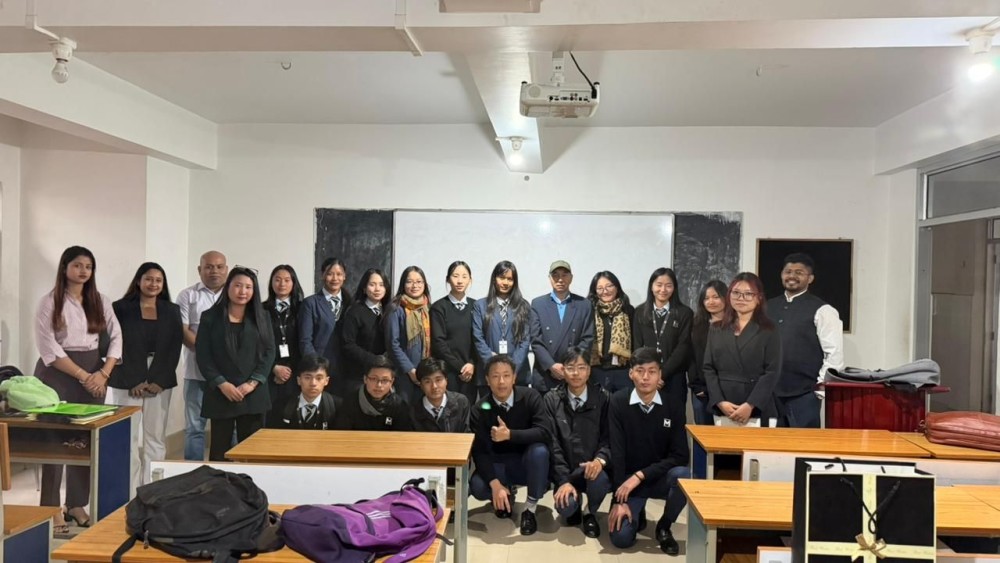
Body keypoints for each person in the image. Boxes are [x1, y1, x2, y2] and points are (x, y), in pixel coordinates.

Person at [34, 246, 122, 531]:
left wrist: (103, 374)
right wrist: (85, 376)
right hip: (57, 373)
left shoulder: (100, 300)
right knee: (54, 442)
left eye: (88, 266)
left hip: (95, 372)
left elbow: (117, 337)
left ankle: (76, 504)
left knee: (83, 442)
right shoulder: (49, 302)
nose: (83, 271)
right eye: (77, 265)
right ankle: (50, 509)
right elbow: (48, 347)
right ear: (65, 267)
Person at [607, 347, 690, 555]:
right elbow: (617, 453)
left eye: (652, 371)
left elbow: (681, 456)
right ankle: (638, 511)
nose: (645, 377)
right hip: (628, 483)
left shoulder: (673, 405)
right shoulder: (618, 401)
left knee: (684, 475)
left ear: (660, 375)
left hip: (657, 478)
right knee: (621, 539)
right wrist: (618, 501)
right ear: (630, 373)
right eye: (640, 371)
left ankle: (664, 526)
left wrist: (641, 475)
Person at [109, 262, 183, 488]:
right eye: (149, 279)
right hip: (127, 378)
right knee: (127, 436)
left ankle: (152, 488)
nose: (153, 284)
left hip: (159, 378)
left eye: (158, 280)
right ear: (138, 281)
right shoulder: (120, 308)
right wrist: (134, 379)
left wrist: (159, 380)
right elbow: (115, 345)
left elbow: (174, 347)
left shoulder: (171, 310)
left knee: (155, 437)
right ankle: (128, 490)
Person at [196, 266, 275, 461]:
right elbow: (203, 355)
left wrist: (252, 383)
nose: (243, 291)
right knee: (219, 451)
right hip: (221, 393)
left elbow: (269, 352)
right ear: (228, 287)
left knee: (252, 452)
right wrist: (222, 383)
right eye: (238, 285)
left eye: (248, 287)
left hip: (253, 394)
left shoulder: (262, 316)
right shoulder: (210, 317)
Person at [469, 355, 551, 536]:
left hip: (524, 463)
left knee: (540, 451)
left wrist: (510, 435)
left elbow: (545, 432)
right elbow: (480, 452)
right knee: (478, 486)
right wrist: (495, 485)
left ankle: (530, 509)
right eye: (495, 376)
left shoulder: (530, 397)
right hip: (498, 465)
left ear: (514, 377)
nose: (501, 381)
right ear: (487, 380)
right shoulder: (480, 409)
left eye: (506, 375)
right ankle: (505, 493)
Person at [767, 253, 845, 428]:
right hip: (770, 393)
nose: (792, 276)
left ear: (810, 278)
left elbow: (834, 353)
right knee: (770, 443)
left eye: (799, 272)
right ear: (781, 275)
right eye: (788, 271)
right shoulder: (767, 306)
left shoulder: (824, 310)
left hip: (805, 394)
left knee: (803, 442)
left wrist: (820, 388)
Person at [544, 347, 611, 538]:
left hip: (593, 468)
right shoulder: (551, 399)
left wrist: (599, 460)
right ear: (562, 370)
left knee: (599, 480)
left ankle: (590, 511)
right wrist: (564, 481)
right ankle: (574, 500)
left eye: (581, 367)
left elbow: (609, 437)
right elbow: (552, 443)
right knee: (566, 508)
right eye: (570, 367)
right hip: (566, 469)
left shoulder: (603, 397)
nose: (576, 373)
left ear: (589, 370)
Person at [703, 272, 782, 427]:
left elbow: (772, 371)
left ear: (759, 298)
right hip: (724, 405)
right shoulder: (716, 328)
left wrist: (751, 404)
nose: (741, 298)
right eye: (736, 293)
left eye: (748, 294)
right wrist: (719, 401)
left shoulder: (769, 330)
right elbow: (708, 368)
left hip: (757, 405)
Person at [176, 250, 228, 461]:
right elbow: (183, 331)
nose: (214, 271)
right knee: (195, 427)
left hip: (228, 376)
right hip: (195, 372)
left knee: (228, 427)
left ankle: (229, 471)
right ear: (200, 270)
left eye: (219, 267)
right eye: (208, 267)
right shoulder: (187, 295)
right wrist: (209, 354)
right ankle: (193, 472)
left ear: (226, 269)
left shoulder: (234, 294)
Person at [632, 267, 693, 415]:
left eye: (668, 285)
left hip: (674, 377)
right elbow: (637, 345)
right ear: (651, 287)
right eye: (659, 285)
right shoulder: (640, 312)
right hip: (646, 377)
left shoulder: (684, 313)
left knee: (674, 418)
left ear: (674, 288)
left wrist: (662, 374)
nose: (663, 290)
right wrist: (649, 373)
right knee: (646, 420)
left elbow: (683, 347)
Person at [530, 260, 595, 392]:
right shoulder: (538, 304)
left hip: (573, 373)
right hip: (545, 373)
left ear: (571, 278)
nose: (560, 279)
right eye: (555, 275)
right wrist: (551, 365)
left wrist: (569, 366)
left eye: (564, 275)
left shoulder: (584, 305)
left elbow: (587, 338)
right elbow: (535, 340)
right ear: (549, 278)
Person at [472, 261, 532, 388]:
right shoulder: (480, 306)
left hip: (518, 374)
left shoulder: (523, 306)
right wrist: (492, 363)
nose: (505, 282)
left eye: (510, 279)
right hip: (488, 374)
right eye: (502, 277)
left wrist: (511, 369)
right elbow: (478, 338)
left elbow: (525, 341)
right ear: (494, 279)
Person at [298, 257, 353, 386]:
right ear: (322, 275)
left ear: (344, 276)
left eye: (339, 274)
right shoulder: (310, 303)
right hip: (319, 370)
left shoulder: (351, 303)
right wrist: (315, 367)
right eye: (330, 274)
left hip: (347, 369)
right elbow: (305, 340)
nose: (335, 278)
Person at [262, 264, 305, 426]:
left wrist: (289, 370)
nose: (282, 284)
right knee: (270, 418)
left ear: (294, 283)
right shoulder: (261, 309)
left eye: (287, 280)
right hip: (268, 371)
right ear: (271, 282)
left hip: (295, 372)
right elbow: (257, 343)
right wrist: (274, 367)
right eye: (277, 280)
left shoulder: (302, 308)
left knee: (292, 418)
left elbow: (305, 341)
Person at [430, 261, 477, 403]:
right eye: (455, 276)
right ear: (448, 279)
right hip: (448, 371)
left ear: (470, 280)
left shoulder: (476, 306)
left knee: (468, 409)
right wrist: (460, 367)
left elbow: (479, 339)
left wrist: (472, 364)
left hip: (471, 371)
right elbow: (438, 343)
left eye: (464, 276)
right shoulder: (439, 307)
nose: (460, 281)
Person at [385, 265, 432, 403]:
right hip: (404, 373)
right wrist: (410, 370)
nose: (414, 285)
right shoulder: (396, 308)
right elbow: (392, 344)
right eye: (409, 281)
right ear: (403, 284)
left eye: (419, 282)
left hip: (426, 372)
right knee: (404, 409)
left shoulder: (428, 308)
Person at [340, 268, 390, 394]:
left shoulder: (390, 311)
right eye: (372, 284)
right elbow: (348, 345)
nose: (377, 289)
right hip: (359, 375)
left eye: (381, 285)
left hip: (384, 374)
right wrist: (374, 359)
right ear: (364, 288)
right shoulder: (355, 312)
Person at [336, 354, 413, 431]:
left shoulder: (399, 406)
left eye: (385, 380)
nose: (379, 385)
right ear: (365, 379)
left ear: (392, 382)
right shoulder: (350, 402)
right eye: (374, 379)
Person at [587, 271, 635, 394]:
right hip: (596, 370)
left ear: (617, 287)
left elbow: (636, 342)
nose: (605, 291)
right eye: (600, 288)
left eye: (609, 286)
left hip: (623, 370)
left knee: (623, 405)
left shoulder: (628, 310)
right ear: (595, 291)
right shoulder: (589, 311)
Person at [689, 279, 728, 425]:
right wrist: (696, 386)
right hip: (702, 390)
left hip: (727, 391)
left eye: (715, 297)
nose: (711, 302)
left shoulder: (735, 325)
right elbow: (691, 357)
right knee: (703, 431)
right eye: (706, 298)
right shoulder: (696, 325)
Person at [271, 354, 341, 430]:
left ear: (326, 381)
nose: (313, 383)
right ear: (299, 380)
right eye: (307, 378)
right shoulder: (282, 405)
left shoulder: (338, 406)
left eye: (319, 378)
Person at [410, 357, 471, 433]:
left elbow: (467, 434)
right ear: (421, 385)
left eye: (438, 380)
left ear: (446, 381)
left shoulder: (461, 402)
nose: (434, 386)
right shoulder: (413, 411)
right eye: (427, 382)